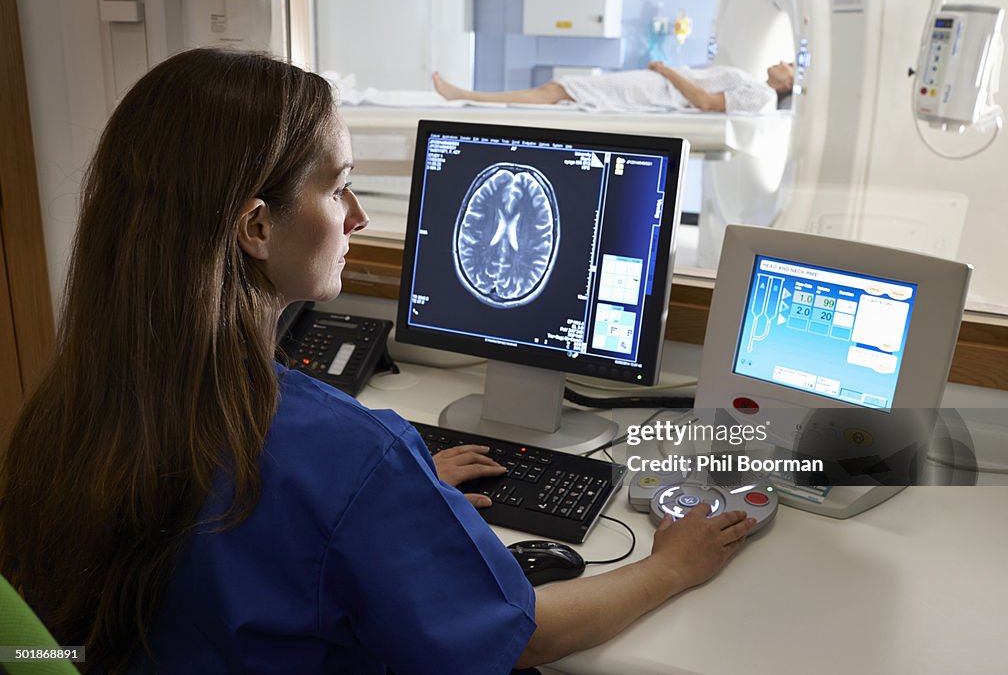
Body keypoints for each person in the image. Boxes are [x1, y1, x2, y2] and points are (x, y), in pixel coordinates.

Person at [0, 48, 756, 674]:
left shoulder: (61, 415)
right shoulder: (346, 457)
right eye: (339, 187)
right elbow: (527, 636)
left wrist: (398, 500)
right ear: (257, 227)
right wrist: (671, 565)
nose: (359, 216)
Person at [433, 60, 796, 114]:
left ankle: (464, 94)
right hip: (656, 85)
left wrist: (666, 70)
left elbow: (705, 101)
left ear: (789, 84)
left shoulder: (762, 96)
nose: (784, 61)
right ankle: (467, 95)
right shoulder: (756, 82)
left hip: (658, 91)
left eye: (791, 66)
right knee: (562, 90)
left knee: (562, 89)